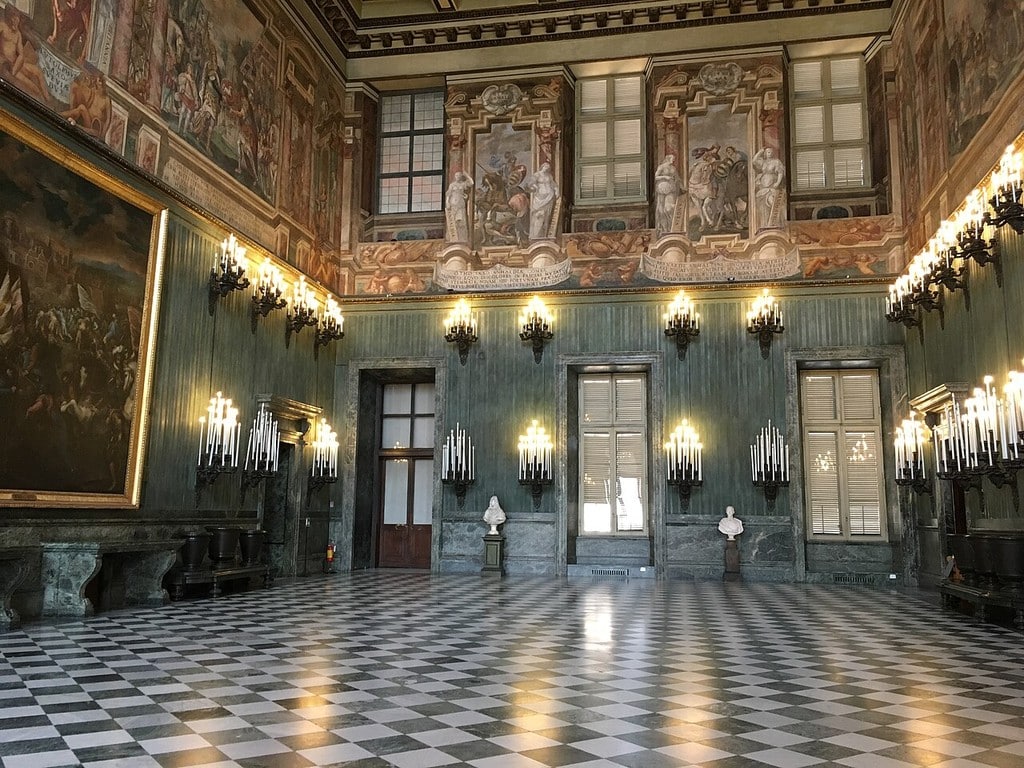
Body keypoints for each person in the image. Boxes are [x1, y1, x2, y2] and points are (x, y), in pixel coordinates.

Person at [752, 146, 787, 230]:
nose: (769, 154)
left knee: (773, 202)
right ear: (765, 153)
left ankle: (776, 222)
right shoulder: (763, 162)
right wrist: (760, 151)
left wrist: (777, 183)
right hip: (763, 187)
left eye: (771, 152)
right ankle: (766, 223)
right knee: (762, 206)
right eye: (768, 152)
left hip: (772, 186)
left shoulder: (776, 162)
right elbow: (754, 161)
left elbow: (780, 173)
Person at [524, 162, 557, 240]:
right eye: (546, 166)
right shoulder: (537, 175)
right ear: (542, 166)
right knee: (538, 215)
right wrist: (535, 187)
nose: (547, 167)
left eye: (548, 166)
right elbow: (530, 184)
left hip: (549, 196)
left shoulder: (549, 176)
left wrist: (556, 190)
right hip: (539, 197)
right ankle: (536, 235)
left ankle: (544, 234)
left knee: (546, 216)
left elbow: (554, 184)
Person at [653, 154, 683, 236]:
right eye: (672, 159)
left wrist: (682, 187)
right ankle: (664, 228)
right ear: (668, 158)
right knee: (661, 210)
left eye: (674, 159)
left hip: (671, 188)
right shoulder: (661, 167)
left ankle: (671, 227)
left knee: (669, 208)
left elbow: (678, 178)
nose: (673, 160)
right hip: (662, 187)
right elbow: (656, 177)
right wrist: (665, 177)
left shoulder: (673, 168)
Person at [444, 171, 474, 243]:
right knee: (453, 221)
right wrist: (447, 202)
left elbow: (471, 183)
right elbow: (448, 195)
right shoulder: (452, 185)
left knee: (461, 221)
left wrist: (467, 175)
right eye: (456, 175)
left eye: (459, 176)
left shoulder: (463, 184)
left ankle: (462, 237)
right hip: (453, 204)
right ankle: (452, 237)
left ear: (461, 177)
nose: (457, 177)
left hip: (460, 204)